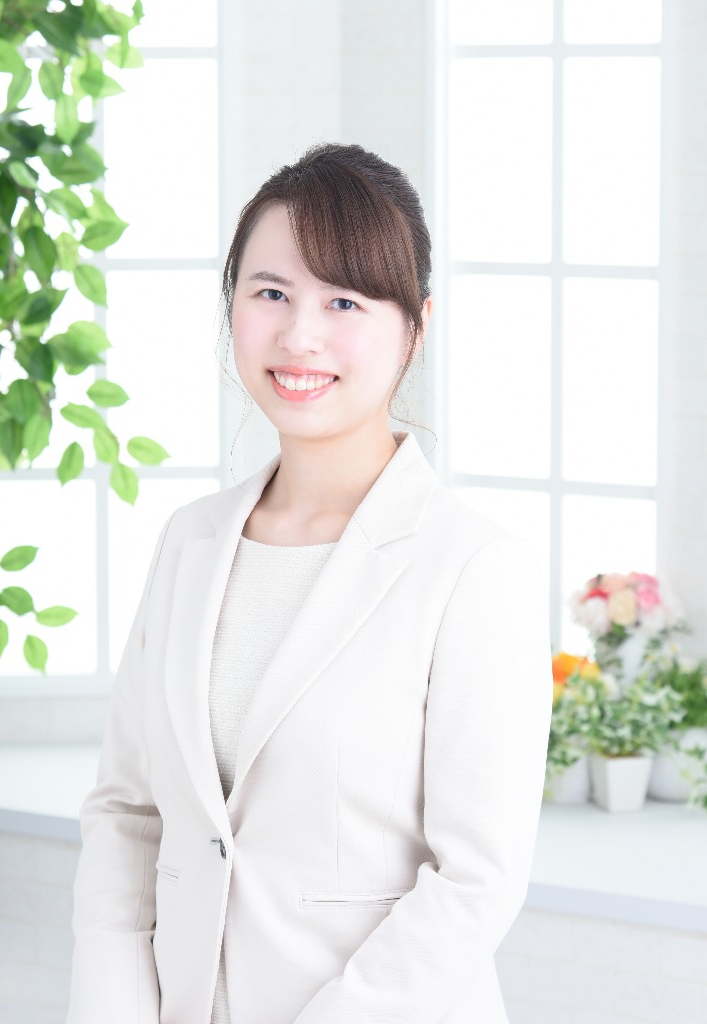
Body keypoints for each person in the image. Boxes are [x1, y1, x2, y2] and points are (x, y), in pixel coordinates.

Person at [65, 142, 553, 1024]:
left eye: (344, 301)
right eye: (271, 293)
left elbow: (475, 881)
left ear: (416, 326)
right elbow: (128, 815)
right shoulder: (189, 543)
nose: (300, 336)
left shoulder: (476, 569)